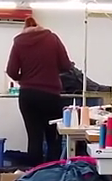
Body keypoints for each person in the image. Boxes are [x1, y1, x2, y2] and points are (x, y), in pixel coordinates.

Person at [5, 15, 73, 162]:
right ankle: (52, 172)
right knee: (53, 138)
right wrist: (52, 70)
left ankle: (34, 173)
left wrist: (23, 79)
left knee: (34, 138)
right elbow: (66, 65)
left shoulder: (18, 42)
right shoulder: (52, 39)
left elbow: (11, 71)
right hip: (50, 95)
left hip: (28, 96)